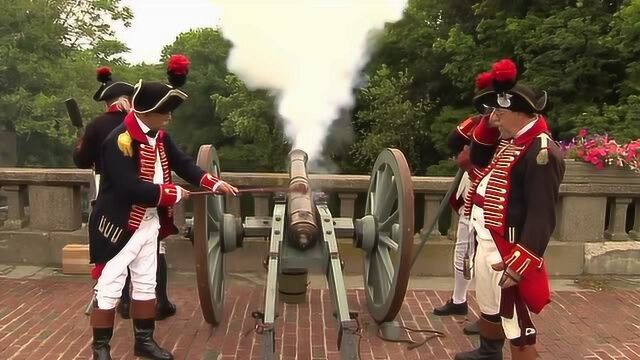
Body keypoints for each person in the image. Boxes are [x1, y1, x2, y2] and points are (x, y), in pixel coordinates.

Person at [88, 54, 239, 360]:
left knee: (145, 285)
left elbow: (185, 163)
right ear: (148, 112)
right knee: (110, 287)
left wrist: (212, 183)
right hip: (117, 226)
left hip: (148, 225)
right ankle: (100, 348)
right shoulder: (118, 141)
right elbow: (131, 188)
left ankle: (143, 342)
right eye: (164, 112)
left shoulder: (160, 137)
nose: (169, 117)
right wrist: (173, 195)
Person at [454, 59, 564, 360]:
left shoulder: (540, 151)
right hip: (488, 238)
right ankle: (489, 352)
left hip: (509, 248)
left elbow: (542, 214)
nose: (494, 120)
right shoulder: (510, 141)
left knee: (516, 323)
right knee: (490, 306)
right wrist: (490, 129)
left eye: (499, 114)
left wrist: (521, 263)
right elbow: (477, 158)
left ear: (519, 112)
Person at [432, 73, 495, 336]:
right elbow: (452, 141)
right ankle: (459, 301)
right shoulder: (479, 123)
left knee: (486, 257)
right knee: (463, 249)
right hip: (474, 190)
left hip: (494, 195)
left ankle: (490, 315)